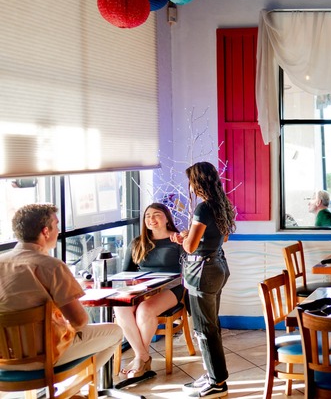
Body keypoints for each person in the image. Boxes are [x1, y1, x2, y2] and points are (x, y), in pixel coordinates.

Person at [0, 204, 122, 370]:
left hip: (6, 359)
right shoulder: (52, 267)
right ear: (45, 231)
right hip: (46, 356)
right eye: (56, 225)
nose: (58, 231)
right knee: (115, 332)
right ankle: (80, 389)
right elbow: (79, 321)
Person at [171, 161, 236, 398]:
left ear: (197, 182)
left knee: (204, 328)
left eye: (190, 181)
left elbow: (189, 247)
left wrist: (183, 237)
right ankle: (212, 374)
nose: (189, 186)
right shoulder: (223, 205)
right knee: (211, 325)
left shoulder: (202, 209)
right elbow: (224, 238)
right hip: (218, 267)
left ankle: (217, 383)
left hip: (202, 273)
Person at [115, 203, 186, 378]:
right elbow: (127, 273)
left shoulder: (177, 240)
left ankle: (140, 359)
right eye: (147, 216)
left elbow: (188, 271)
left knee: (144, 310)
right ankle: (143, 356)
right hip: (142, 288)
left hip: (171, 288)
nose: (151, 219)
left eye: (156, 215)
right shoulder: (137, 243)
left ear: (167, 218)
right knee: (120, 306)